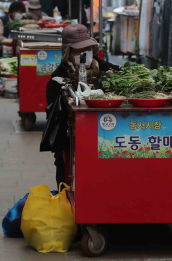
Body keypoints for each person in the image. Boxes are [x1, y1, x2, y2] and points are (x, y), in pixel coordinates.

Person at [45, 24, 119, 188]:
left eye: (87, 49)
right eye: (78, 51)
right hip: (70, 135)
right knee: (63, 161)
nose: (84, 54)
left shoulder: (109, 69)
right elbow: (55, 116)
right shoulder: (57, 78)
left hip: (104, 131)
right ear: (67, 52)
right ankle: (64, 195)